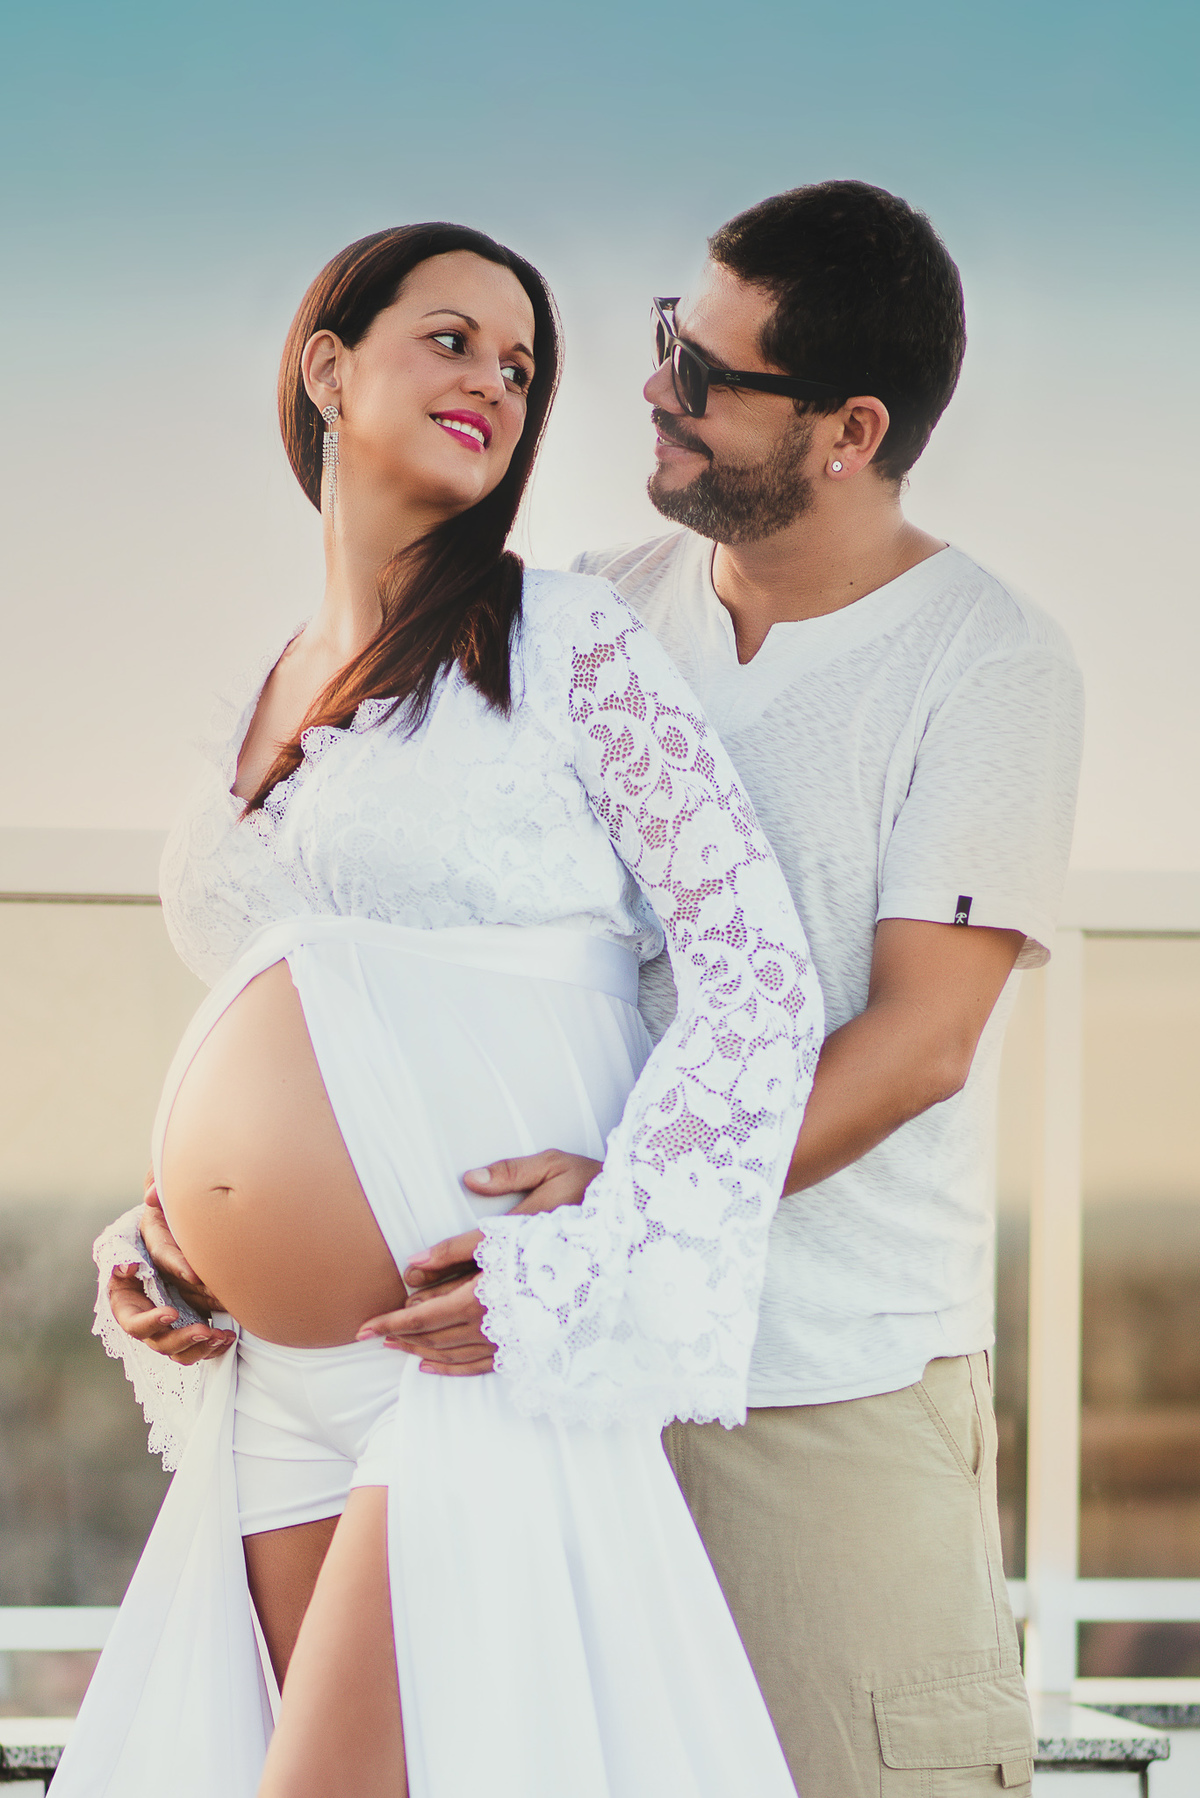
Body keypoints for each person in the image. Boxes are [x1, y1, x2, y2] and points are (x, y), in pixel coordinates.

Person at [66, 222, 823, 1798]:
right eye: (453, 339)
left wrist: (605, 1236)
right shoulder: (258, 687)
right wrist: (168, 1235)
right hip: (269, 1385)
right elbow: (293, 1015)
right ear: (327, 368)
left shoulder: (566, 642)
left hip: (466, 1354)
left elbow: (760, 975)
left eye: (522, 366)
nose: (496, 380)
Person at [359, 183, 1085, 1797]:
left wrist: (621, 1213)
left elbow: (919, 1044)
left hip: (816, 1389)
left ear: (850, 431)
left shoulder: (989, 665)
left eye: (705, 372)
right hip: (558, 1368)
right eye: (666, 338)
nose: (654, 387)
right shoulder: (589, 611)